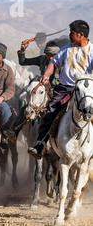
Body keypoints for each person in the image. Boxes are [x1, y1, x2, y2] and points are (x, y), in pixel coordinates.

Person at [28, 20, 93, 159]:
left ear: (81, 35)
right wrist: (46, 75)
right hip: (64, 89)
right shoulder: (66, 49)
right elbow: (53, 63)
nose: (70, 35)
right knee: (51, 111)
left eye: (72, 33)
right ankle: (40, 144)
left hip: (85, 91)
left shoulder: (92, 51)